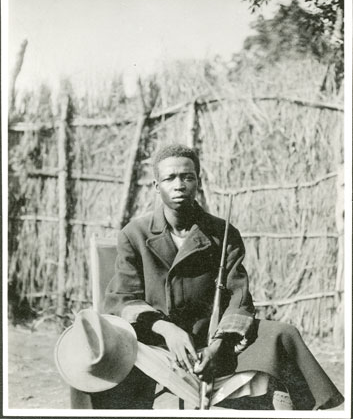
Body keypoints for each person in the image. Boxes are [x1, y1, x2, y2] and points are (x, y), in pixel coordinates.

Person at [100, 144, 344, 410]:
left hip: (214, 336)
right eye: (170, 178)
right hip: (155, 342)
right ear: (156, 186)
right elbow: (123, 298)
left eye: (187, 177)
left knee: (283, 335)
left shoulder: (221, 233)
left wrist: (219, 344)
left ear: (198, 182)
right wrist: (166, 329)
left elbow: (239, 297)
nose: (179, 184)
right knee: (98, 358)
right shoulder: (134, 235)